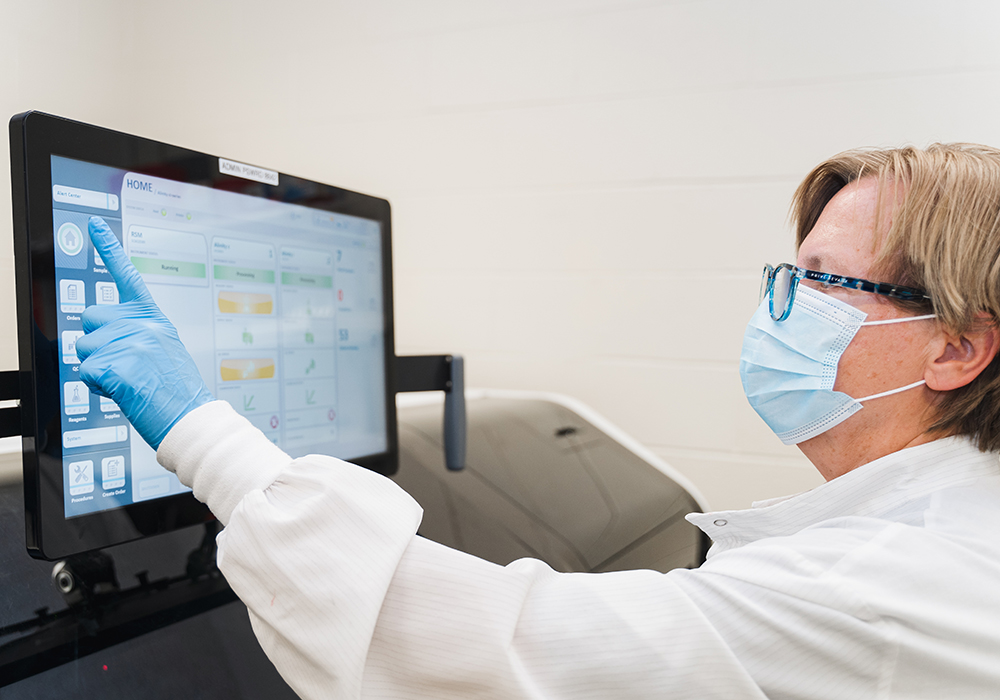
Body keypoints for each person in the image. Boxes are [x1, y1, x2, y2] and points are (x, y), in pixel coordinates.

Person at [76, 143, 1000, 699]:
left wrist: (198, 428)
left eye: (827, 283)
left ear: (956, 349)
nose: (784, 307)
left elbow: (480, 646)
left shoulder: (888, 585)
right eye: (787, 276)